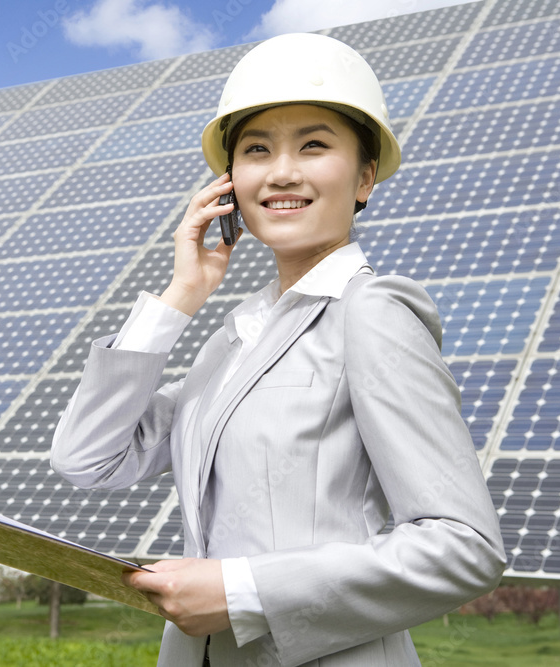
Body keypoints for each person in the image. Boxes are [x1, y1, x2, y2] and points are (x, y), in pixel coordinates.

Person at [51, 33, 506, 666]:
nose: (282, 170)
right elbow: (87, 458)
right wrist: (183, 294)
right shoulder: (235, 337)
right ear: (230, 182)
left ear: (365, 176)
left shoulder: (371, 314)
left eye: (314, 145)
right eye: (257, 150)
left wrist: (241, 592)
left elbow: (464, 547)